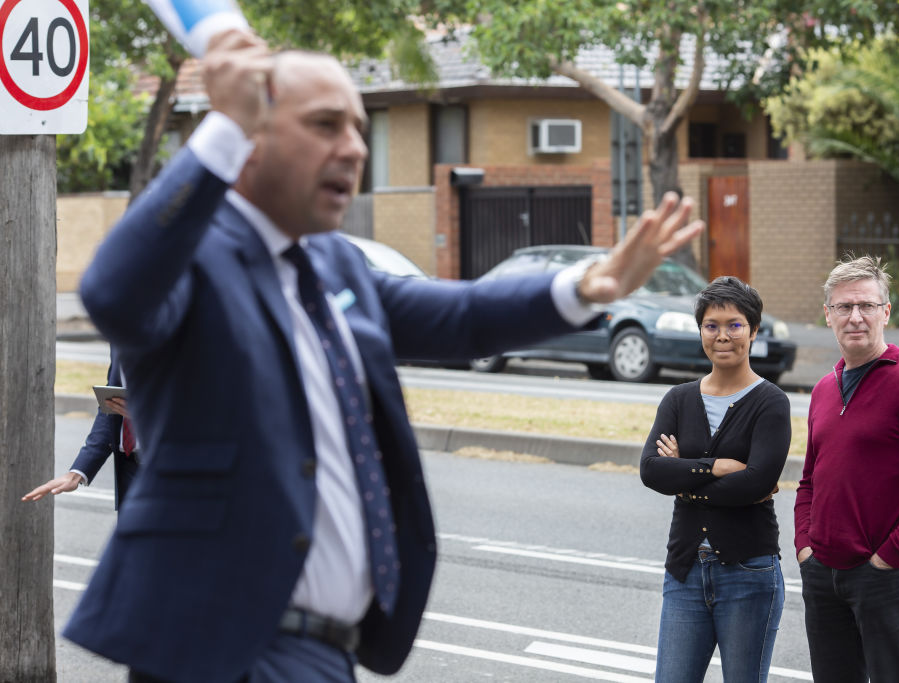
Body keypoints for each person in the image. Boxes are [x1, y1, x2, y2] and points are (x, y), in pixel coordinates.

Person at [62, 30, 705, 683]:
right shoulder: (193, 253)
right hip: (215, 647)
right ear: (251, 140)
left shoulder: (336, 263)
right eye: (324, 125)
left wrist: (583, 288)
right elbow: (113, 291)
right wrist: (222, 124)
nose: (354, 148)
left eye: (360, 129)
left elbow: (462, 316)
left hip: (326, 653)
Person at [794, 255, 899, 682]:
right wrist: (805, 547)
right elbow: (810, 479)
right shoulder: (823, 390)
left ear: (886, 312)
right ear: (828, 316)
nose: (855, 317)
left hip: (886, 580)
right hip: (822, 575)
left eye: (866, 305)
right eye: (843, 307)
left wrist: (888, 559)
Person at [639, 276, 790, 683]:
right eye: (711, 325)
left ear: (754, 330)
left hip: (749, 572)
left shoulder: (770, 402)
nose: (722, 335)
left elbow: (757, 483)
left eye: (735, 324)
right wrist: (716, 466)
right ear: (701, 330)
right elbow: (651, 470)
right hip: (685, 571)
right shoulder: (678, 399)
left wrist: (684, 473)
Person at [22, 352, 139, 509]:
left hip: (174, 471)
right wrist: (78, 471)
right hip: (129, 471)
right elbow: (112, 406)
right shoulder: (121, 338)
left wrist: (148, 414)